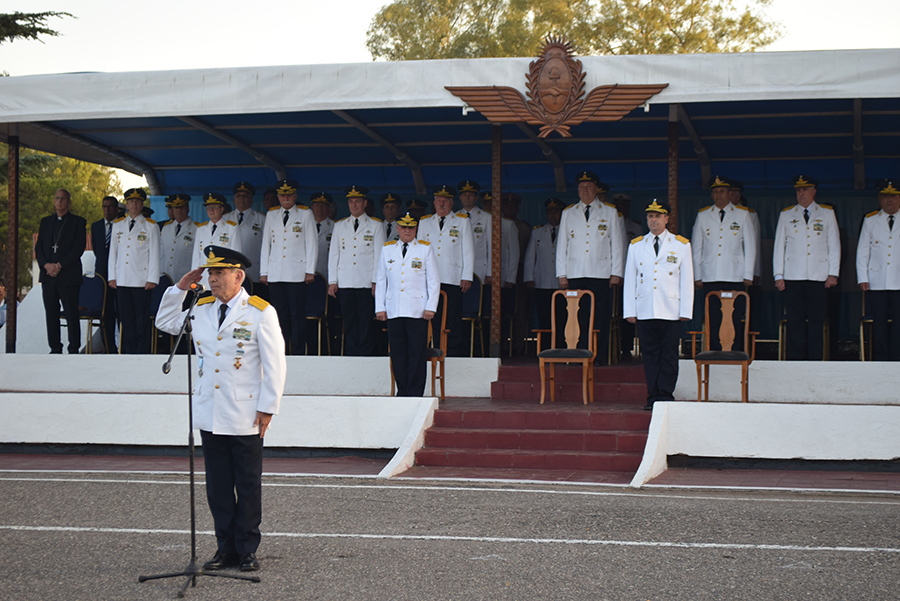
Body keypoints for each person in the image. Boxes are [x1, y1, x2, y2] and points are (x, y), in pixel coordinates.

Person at [154, 245, 286, 573]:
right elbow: (165, 322)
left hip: (245, 413)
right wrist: (180, 288)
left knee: (247, 483)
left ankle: (246, 549)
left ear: (238, 276)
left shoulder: (259, 311)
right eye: (210, 273)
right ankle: (224, 548)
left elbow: (276, 365)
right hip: (211, 410)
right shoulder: (200, 308)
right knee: (218, 486)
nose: (213, 279)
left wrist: (268, 408)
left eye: (220, 273)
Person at [623, 200, 693, 411]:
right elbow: (630, 279)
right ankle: (653, 395)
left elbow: (687, 279)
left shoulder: (681, 245)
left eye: (658, 216)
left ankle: (665, 394)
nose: (653, 220)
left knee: (669, 355)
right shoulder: (636, 245)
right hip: (645, 309)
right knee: (650, 355)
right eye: (650, 216)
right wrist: (629, 310)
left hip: (670, 309)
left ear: (666, 219)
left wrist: (685, 310)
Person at [556, 171, 626, 364]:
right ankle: (578, 354)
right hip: (575, 272)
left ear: (596, 189)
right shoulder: (568, 213)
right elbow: (562, 245)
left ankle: (599, 356)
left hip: (601, 273)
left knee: (600, 316)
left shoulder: (610, 212)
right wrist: (562, 274)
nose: (585, 191)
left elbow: (617, 244)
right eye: (581, 187)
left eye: (589, 187)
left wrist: (616, 273)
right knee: (577, 316)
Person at [773, 175, 840, 360]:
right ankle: (796, 360)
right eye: (798, 190)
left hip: (819, 277)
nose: (801, 193)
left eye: (805, 189)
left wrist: (833, 273)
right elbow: (780, 246)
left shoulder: (826, 213)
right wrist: (778, 274)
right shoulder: (786, 214)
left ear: (814, 191)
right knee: (795, 321)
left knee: (816, 321)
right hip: (793, 276)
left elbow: (834, 245)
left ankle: (815, 360)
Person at [375, 213, 440, 396]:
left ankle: (415, 391)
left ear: (415, 229)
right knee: (398, 352)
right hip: (394, 309)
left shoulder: (425, 249)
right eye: (403, 227)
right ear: (397, 229)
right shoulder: (388, 249)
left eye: (411, 227)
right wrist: (380, 307)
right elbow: (381, 280)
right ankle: (402, 390)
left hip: (417, 310)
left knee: (416, 352)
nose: (407, 231)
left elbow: (433, 281)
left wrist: (431, 307)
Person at [690, 175, 757, 350]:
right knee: (712, 316)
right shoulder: (703, 215)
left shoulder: (743, 215)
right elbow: (697, 248)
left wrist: (748, 274)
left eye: (722, 191)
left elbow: (750, 246)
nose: (718, 195)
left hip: (735, 274)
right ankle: (713, 350)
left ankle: (734, 350)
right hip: (710, 274)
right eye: (715, 192)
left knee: (734, 315)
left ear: (729, 193)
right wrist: (697, 275)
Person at [259, 178, 318, 354]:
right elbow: (266, 244)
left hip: (296, 273)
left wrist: (310, 270)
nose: (286, 198)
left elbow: (312, 243)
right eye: (283, 194)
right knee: (279, 315)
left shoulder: (305, 214)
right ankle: (280, 350)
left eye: (289, 194)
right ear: (278, 196)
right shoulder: (271, 214)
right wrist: (264, 271)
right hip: (276, 273)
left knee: (297, 315)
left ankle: (298, 351)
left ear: (295, 195)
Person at [416, 184, 474, 357]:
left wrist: (467, 276)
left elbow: (468, 250)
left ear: (451, 203)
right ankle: (433, 350)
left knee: (452, 318)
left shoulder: (462, 221)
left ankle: (452, 352)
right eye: (439, 201)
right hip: (430, 279)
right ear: (434, 203)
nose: (442, 204)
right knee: (431, 316)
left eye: (445, 201)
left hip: (453, 277)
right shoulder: (425, 222)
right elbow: (419, 251)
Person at [328, 185, 385, 356]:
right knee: (350, 320)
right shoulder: (340, 226)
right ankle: (351, 353)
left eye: (357, 202)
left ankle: (365, 354)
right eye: (351, 202)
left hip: (366, 281)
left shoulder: (376, 225)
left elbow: (379, 256)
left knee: (365, 320)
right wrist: (332, 281)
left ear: (365, 203)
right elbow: (334, 255)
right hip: (345, 280)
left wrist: (376, 281)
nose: (354, 205)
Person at [35, 189, 87, 354]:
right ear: (53, 201)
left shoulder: (78, 222)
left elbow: (78, 248)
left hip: (68, 275)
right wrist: (46, 266)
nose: (59, 202)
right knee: (51, 312)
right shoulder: (45, 222)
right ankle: (55, 347)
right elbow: (40, 247)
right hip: (48, 276)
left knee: (71, 313)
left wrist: (59, 265)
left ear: (69, 202)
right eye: (57, 198)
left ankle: (73, 348)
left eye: (63, 199)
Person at [109, 188, 159, 354]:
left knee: (141, 319)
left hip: (141, 280)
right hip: (122, 278)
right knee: (126, 319)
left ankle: (143, 351)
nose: (134, 204)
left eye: (137, 201)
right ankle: (127, 351)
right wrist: (112, 276)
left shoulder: (150, 226)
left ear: (142, 204)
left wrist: (152, 278)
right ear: (127, 204)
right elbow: (113, 254)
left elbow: (154, 254)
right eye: (131, 201)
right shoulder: (118, 225)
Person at [857, 178, 900, 360]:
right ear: (879, 198)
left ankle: (897, 358)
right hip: (877, 280)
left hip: (898, 280)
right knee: (879, 322)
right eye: (884, 196)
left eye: (893, 196)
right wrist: (862, 277)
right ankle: (881, 359)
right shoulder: (871, 219)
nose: (889, 200)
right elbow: (862, 251)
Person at [523, 198, 563, 349]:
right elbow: (529, 257)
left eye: (556, 212)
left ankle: (561, 345)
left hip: (561, 283)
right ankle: (546, 347)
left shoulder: (568, 231)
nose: (553, 215)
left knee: (561, 317)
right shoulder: (538, 231)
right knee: (544, 317)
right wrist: (528, 277)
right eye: (550, 212)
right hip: (542, 282)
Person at [192, 193, 243, 289]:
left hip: (224, 280)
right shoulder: (201, 229)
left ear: (221, 209)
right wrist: (194, 278)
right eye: (208, 207)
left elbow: (236, 257)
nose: (211, 210)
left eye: (214, 207)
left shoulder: (231, 228)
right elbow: (196, 257)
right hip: (204, 281)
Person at [91, 195, 120, 353]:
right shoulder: (96, 226)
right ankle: (108, 347)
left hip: (120, 275)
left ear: (116, 209)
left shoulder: (122, 225)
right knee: (105, 313)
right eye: (104, 206)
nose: (107, 209)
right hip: (102, 276)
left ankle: (124, 345)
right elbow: (98, 250)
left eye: (110, 206)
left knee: (120, 312)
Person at [232, 182, 266, 293]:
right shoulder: (225, 219)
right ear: (234, 200)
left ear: (251, 200)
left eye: (245, 196)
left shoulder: (261, 219)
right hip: (231, 272)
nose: (241, 199)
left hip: (254, 271)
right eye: (238, 196)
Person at [457, 181, 492, 286]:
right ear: (460, 198)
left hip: (479, 268)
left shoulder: (486, 217)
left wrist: (490, 272)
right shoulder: (454, 217)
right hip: (459, 268)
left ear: (476, 198)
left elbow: (491, 246)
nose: (467, 198)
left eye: (471, 195)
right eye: (464, 195)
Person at [158, 194, 197, 283]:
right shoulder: (166, 228)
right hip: (166, 275)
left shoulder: (197, 229)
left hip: (186, 276)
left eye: (182, 207)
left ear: (187, 209)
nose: (179, 211)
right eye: (176, 208)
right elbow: (161, 252)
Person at [310, 192, 334, 280]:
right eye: (317, 205)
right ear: (312, 207)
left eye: (323, 206)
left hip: (326, 274)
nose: (320, 208)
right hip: (305, 275)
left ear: (328, 209)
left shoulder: (335, 227)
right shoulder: (304, 225)